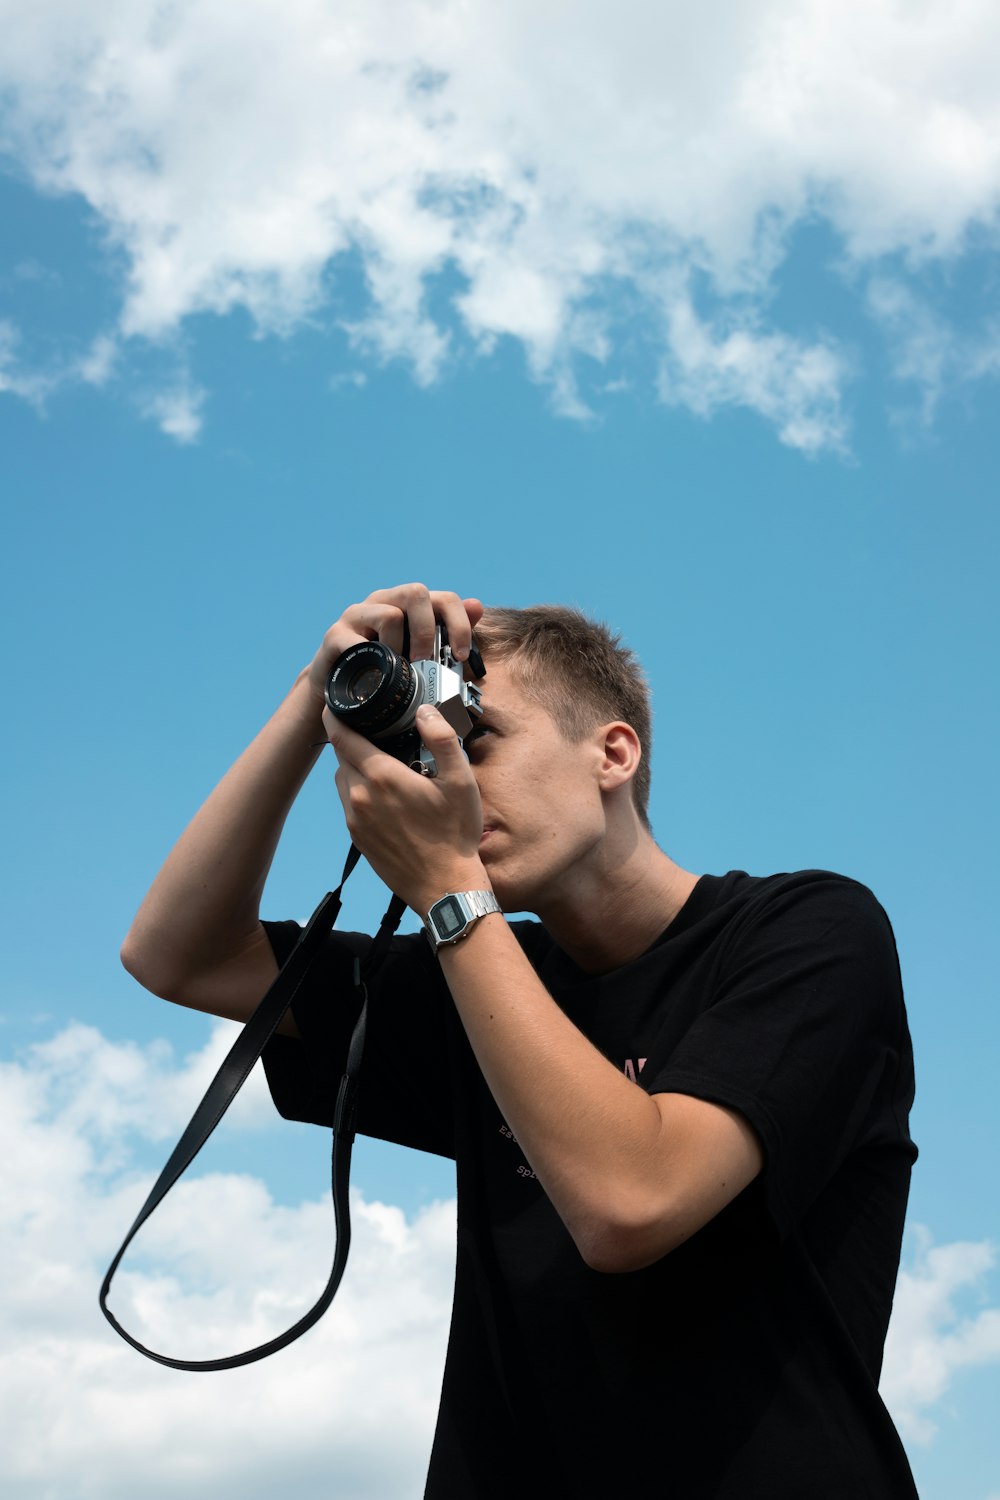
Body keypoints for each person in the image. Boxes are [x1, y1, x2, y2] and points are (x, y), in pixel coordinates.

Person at [121, 582, 919, 1498]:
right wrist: (314, 697)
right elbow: (177, 954)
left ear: (613, 754)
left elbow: (631, 1205)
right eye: (420, 749)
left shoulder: (808, 930)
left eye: (476, 736)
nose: (444, 774)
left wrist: (452, 892)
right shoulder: (487, 973)